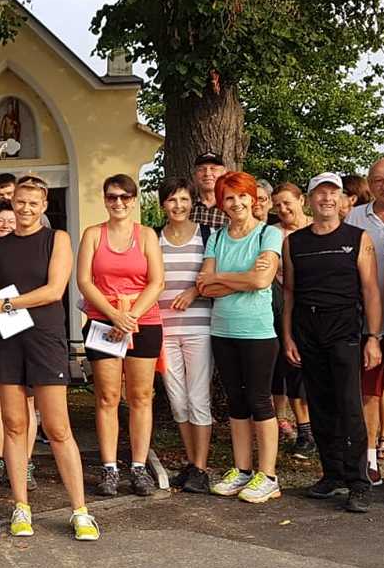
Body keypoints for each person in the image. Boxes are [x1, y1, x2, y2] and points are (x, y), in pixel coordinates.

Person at [0, 174, 100, 540]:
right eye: (20, 202)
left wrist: (6, 303)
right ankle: (21, 506)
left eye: (33, 203)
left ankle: (80, 510)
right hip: (7, 339)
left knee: (57, 427)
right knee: (14, 425)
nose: (25, 209)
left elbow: (53, 291)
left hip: (44, 338)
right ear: (11, 202)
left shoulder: (57, 238)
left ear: (44, 206)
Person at [281, 173, 384, 513]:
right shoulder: (294, 242)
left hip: (344, 328)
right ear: (309, 199)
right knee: (320, 403)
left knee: (349, 405)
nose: (326, 198)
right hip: (307, 328)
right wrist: (289, 336)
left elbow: (370, 290)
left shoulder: (357, 238)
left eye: (332, 193)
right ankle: (332, 473)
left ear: (341, 200)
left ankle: (358, 481)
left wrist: (373, 337)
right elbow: (289, 292)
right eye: (320, 193)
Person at [196, 171, 283, 503]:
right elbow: (203, 286)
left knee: (260, 400)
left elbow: (261, 281)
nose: (236, 203)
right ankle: (242, 469)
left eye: (242, 196)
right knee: (236, 401)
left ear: (252, 198)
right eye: (229, 198)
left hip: (257, 331)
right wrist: (240, 278)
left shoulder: (268, 234)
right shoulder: (217, 238)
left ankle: (268, 475)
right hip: (222, 330)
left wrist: (220, 277)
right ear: (222, 203)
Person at [78, 173, 166, 496]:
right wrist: (114, 314)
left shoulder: (146, 236)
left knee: (141, 396)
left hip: (143, 321)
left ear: (134, 200)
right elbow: (84, 281)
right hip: (103, 322)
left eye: (125, 197)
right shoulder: (93, 235)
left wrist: (130, 317)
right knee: (107, 397)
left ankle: (139, 466)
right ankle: (109, 467)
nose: (118, 202)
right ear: (105, 199)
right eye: (112, 197)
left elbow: (157, 282)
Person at [347, 156, 384, 484]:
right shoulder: (355, 217)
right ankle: (369, 459)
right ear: (369, 184)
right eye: (378, 180)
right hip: (368, 322)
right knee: (368, 393)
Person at [157, 179, 215, 494]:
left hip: (199, 328)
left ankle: (201, 468)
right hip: (164, 330)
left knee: (198, 399)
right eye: (171, 200)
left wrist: (195, 291)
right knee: (178, 401)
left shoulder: (207, 235)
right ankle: (192, 463)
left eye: (183, 199)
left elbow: (214, 276)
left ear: (192, 202)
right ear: (162, 204)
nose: (178, 206)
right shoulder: (153, 237)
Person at [0, 200, 37, 486]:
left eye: (10, 220)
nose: (5, 225)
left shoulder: (27, 251)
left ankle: (25, 462)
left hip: (27, 329)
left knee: (27, 401)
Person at [270, 182, 315, 456]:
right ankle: (304, 431)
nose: (283, 209)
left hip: (319, 307)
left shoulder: (317, 226)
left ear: (302, 200)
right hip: (285, 307)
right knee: (293, 367)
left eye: (288, 202)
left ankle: (325, 427)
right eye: (278, 205)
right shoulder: (272, 233)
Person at [190, 151, 228, 229]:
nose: (207, 173)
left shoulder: (233, 206)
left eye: (213, 169)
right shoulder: (185, 207)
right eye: (201, 169)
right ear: (194, 175)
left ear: (224, 173)